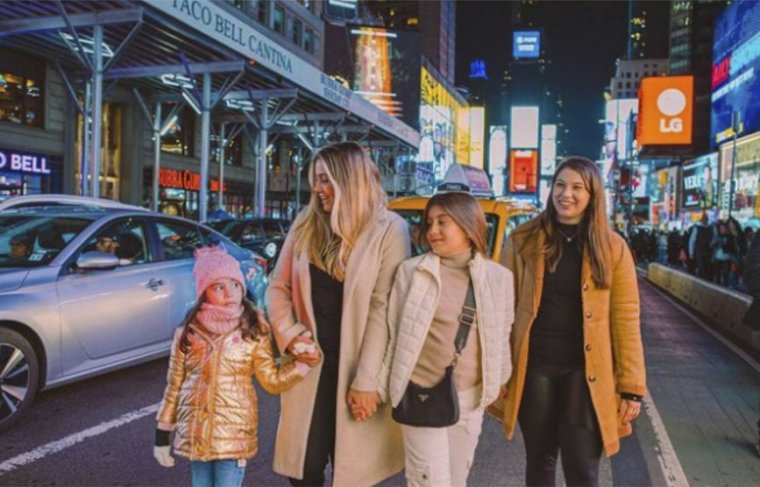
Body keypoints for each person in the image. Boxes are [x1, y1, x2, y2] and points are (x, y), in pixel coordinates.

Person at [266, 142, 410, 486]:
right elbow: (278, 287)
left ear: (350, 180)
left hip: (358, 368)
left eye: (326, 180)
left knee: (355, 475)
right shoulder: (306, 222)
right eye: (316, 180)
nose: (318, 189)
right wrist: (291, 336)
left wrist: (368, 381)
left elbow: (384, 308)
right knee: (304, 468)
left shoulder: (390, 228)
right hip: (310, 368)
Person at [500, 156, 647, 486]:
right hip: (535, 367)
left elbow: (626, 317)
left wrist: (632, 387)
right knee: (540, 461)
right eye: (560, 185)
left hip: (586, 372)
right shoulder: (524, 239)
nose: (566, 194)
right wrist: (498, 368)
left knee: (582, 468)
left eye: (577, 187)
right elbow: (503, 309)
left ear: (593, 194)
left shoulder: (612, 248)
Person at [153, 246, 311, 487]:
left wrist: (300, 367)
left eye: (235, 285)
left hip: (234, 437)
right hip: (197, 437)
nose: (229, 293)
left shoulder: (254, 330)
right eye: (219, 287)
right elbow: (174, 384)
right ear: (204, 292)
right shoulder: (187, 332)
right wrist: (162, 435)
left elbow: (271, 380)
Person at [386, 192, 514, 487]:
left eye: (443, 222)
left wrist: (500, 379)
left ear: (468, 226)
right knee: (430, 482)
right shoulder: (411, 272)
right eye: (429, 223)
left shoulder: (499, 278)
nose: (432, 230)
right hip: (420, 394)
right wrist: (378, 386)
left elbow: (501, 331)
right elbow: (393, 333)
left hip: (470, 399)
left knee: (457, 480)